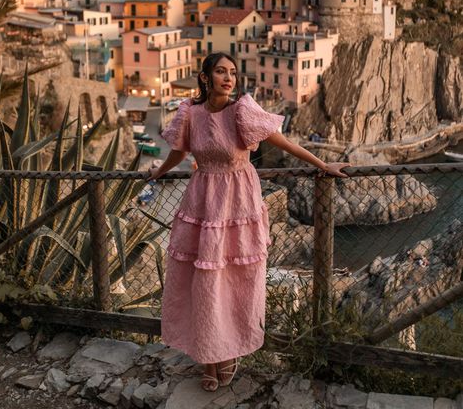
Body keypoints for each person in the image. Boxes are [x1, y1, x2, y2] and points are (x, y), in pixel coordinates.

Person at [148, 52, 349, 392]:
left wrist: (322, 165)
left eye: (233, 73)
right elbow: (179, 153)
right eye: (220, 72)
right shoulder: (190, 114)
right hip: (203, 203)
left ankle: (228, 353)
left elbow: (283, 143)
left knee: (233, 281)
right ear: (205, 77)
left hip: (238, 204)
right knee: (203, 281)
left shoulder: (242, 111)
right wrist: (157, 172)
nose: (228, 78)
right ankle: (209, 358)